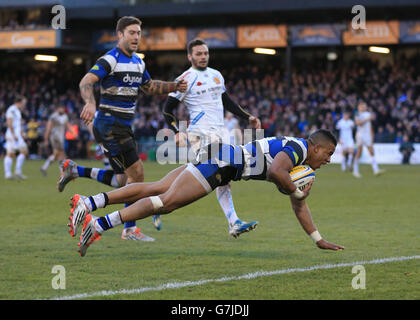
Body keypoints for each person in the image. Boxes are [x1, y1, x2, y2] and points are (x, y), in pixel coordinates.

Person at [67, 129, 344, 257]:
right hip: (223, 163)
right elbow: (276, 173)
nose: (329, 159)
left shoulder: (300, 156)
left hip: (222, 157)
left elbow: (299, 204)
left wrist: (318, 239)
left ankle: (89, 203)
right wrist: (295, 190)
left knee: (157, 188)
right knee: (165, 202)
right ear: (317, 147)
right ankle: (98, 223)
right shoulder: (298, 149)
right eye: (329, 153)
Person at [58, 16, 188, 242]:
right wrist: (90, 103)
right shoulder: (110, 59)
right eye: (131, 32)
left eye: (138, 33)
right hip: (109, 125)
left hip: (122, 127)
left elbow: (149, 87)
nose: (136, 37)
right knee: (136, 175)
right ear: (120, 35)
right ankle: (128, 228)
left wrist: (173, 86)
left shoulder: (139, 62)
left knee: (123, 181)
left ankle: (77, 171)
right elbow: (86, 82)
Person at [157, 38, 261, 238]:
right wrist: (178, 130)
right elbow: (167, 109)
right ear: (190, 56)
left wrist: (248, 117)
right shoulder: (185, 79)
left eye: (205, 53)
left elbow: (226, 101)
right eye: (198, 54)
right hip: (200, 134)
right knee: (220, 176)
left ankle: (160, 200)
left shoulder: (216, 75)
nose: (203, 57)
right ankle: (233, 222)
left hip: (221, 132)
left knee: (213, 177)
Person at [352, 102, 384, 178]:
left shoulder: (368, 114)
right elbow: (358, 124)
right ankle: (355, 171)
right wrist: (367, 119)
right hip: (360, 136)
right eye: (362, 106)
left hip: (367, 136)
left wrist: (372, 135)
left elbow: (370, 125)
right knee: (359, 153)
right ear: (359, 107)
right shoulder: (357, 114)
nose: (363, 108)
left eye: (364, 106)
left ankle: (376, 170)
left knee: (372, 151)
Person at [40, 105, 75, 176]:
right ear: (58, 109)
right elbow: (48, 127)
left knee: (57, 154)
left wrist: (73, 132)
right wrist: (46, 139)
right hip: (55, 137)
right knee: (61, 153)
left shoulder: (65, 116)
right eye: (61, 108)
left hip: (61, 137)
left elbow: (67, 125)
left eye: (63, 108)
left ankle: (44, 167)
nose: (62, 110)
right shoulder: (53, 117)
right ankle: (63, 172)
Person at [4, 95, 28, 180]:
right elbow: (9, 122)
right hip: (12, 135)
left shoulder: (17, 111)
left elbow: (18, 125)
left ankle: (16, 172)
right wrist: (14, 134)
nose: (24, 105)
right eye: (24, 103)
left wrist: (22, 133)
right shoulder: (12, 109)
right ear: (19, 102)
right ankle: (9, 173)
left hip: (17, 135)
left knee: (23, 151)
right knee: (10, 153)